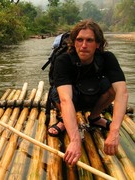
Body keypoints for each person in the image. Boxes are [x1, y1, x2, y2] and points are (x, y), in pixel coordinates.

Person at [47, 19, 128, 166]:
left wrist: (114, 131)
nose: (84, 45)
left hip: (93, 94)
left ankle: (95, 117)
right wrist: (75, 139)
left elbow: (122, 92)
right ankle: (64, 120)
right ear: (73, 43)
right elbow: (65, 99)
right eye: (79, 40)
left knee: (112, 88)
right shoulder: (63, 60)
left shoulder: (107, 58)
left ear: (98, 44)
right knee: (58, 93)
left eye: (89, 40)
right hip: (70, 98)